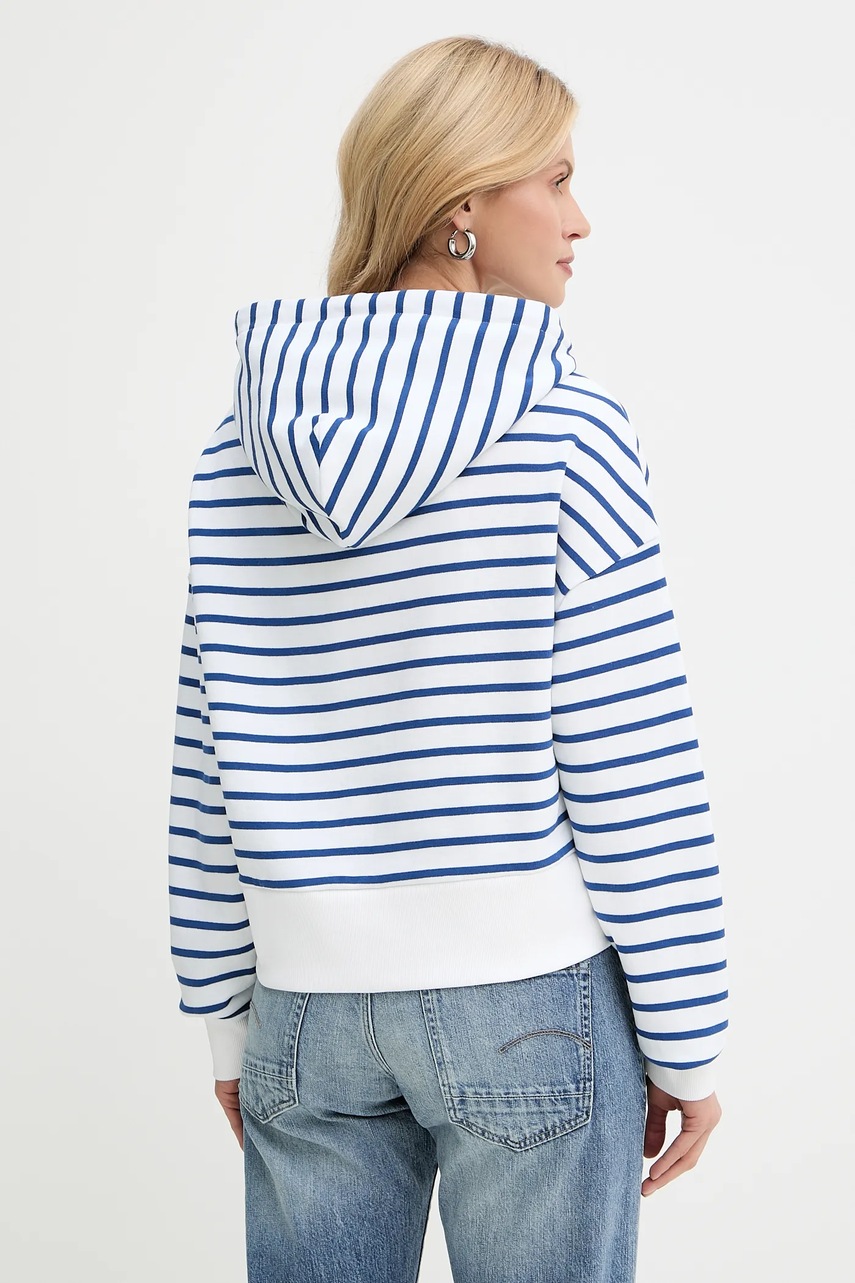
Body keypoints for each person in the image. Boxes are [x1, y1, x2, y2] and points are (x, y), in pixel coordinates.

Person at [167, 33, 727, 1283]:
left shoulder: (234, 451)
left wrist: (225, 1022)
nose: (580, 220)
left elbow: (207, 765)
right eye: (557, 179)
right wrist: (687, 1037)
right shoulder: (570, 430)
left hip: (303, 1010)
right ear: (459, 201)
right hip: (526, 999)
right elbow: (631, 760)